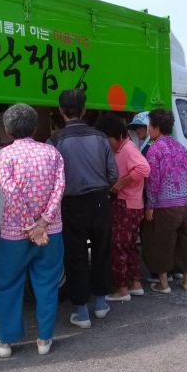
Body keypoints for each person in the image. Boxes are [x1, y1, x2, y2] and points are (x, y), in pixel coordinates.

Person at [0, 104, 65, 358]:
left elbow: (10, 193)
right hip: (51, 233)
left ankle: (7, 341)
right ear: (34, 127)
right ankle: (44, 339)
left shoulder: (5, 155)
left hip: (14, 234)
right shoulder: (52, 153)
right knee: (47, 283)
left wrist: (30, 226)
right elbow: (59, 189)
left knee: (6, 283)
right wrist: (43, 223)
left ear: (8, 129)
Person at [49, 89, 118, 328]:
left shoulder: (55, 141)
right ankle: (100, 304)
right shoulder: (101, 138)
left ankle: (82, 312)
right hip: (100, 201)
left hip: (71, 204)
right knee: (101, 251)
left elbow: (50, 179)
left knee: (75, 256)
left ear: (61, 110)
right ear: (85, 109)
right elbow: (113, 174)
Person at [95, 113, 150, 301]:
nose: (106, 144)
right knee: (129, 246)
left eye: (107, 139)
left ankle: (121, 289)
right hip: (133, 205)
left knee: (117, 246)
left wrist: (121, 183)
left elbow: (144, 168)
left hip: (126, 205)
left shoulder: (127, 149)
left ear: (117, 135)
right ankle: (136, 284)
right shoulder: (120, 149)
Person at [142, 108, 187, 293]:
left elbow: (153, 181)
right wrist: (184, 197)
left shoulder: (154, 150)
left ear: (156, 127)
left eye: (149, 125)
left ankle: (164, 284)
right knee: (185, 241)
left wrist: (150, 206)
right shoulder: (181, 147)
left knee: (161, 242)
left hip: (163, 206)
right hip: (182, 204)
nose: (148, 129)